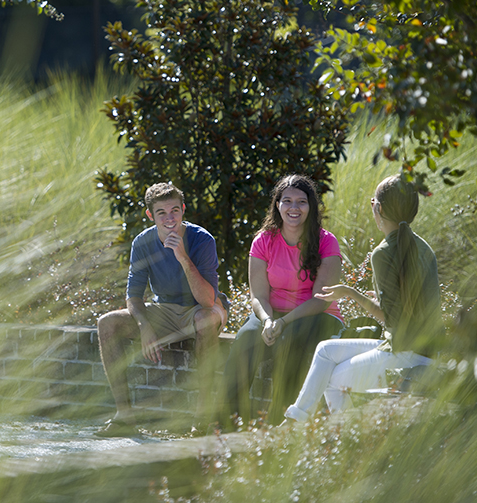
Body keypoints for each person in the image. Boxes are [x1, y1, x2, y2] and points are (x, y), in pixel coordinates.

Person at [283, 174, 442, 422]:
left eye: (372, 203)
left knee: (332, 378)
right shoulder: (424, 248)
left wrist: (351, 293)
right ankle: (300, 420)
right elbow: (411, 303)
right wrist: (375, 296)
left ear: (377, 208)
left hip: (405, 353)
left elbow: (394, 319)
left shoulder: (383, 253)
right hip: (424, 349)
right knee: (325, 351)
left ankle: (337, 436)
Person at [96, 182, 227, 436]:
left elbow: (208, 301)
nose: (170, 219)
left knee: (206, 319)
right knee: (107, 323)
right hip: (164, 309)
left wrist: (182, 256)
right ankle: (124, 417)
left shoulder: (202, 239)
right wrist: (145, 327)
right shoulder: (143, 242)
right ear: (150, 215)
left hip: (200, 308)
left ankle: (201, 419)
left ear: (183, 210)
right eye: (162, 213)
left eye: (175, 211)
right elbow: (133, 296)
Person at [223, 174, 343, 427]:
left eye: (301, 202)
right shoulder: (264, 240)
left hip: (316, 316)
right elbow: (258, 296)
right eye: (287, 201)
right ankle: (228, 424)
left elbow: (321, 299)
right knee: (246, 338)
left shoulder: (326, 242)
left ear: (311, 206)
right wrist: (267, 321)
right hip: (272, 313)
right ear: (277, 205)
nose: (294, 208)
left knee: (291, 340)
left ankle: (282, 425)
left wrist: (284, 322)